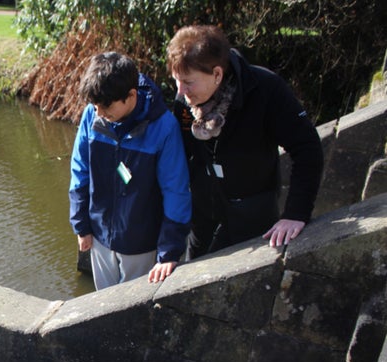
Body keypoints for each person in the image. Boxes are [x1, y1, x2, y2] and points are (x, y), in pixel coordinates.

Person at [166, 25, 324, 260]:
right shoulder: (185, 102)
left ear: (217, 74)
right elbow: (182, 155)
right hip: (204, 212)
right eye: (176, 81)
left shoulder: (264, 89)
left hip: (254, 209)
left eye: (188, 82)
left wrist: (296, 213)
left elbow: (307, 148)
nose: (181, 91)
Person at [69, 52, 192, 290]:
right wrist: (81, 225)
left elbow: (176, 190)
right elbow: (79, 172)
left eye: (105, 106)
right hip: (99, 239)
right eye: (94, 106)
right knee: (102, 307)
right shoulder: (91, 116)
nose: (99, 114)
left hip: (141, 245)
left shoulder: (164, 127)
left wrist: (169, 251)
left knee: (135, 312)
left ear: (131, 96)